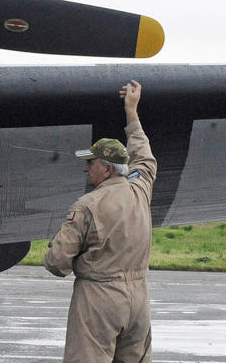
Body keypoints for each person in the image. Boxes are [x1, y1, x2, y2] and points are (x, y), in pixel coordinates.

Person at [44, 80, 157, 363]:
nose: (86, 168)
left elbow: (57, 264)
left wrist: (57, 249)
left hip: (98, 299)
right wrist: (132, 111)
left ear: (107, 169)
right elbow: (143, 155)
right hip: (138, 301)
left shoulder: (87, 205)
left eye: (91, 163)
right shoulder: (140, 188)